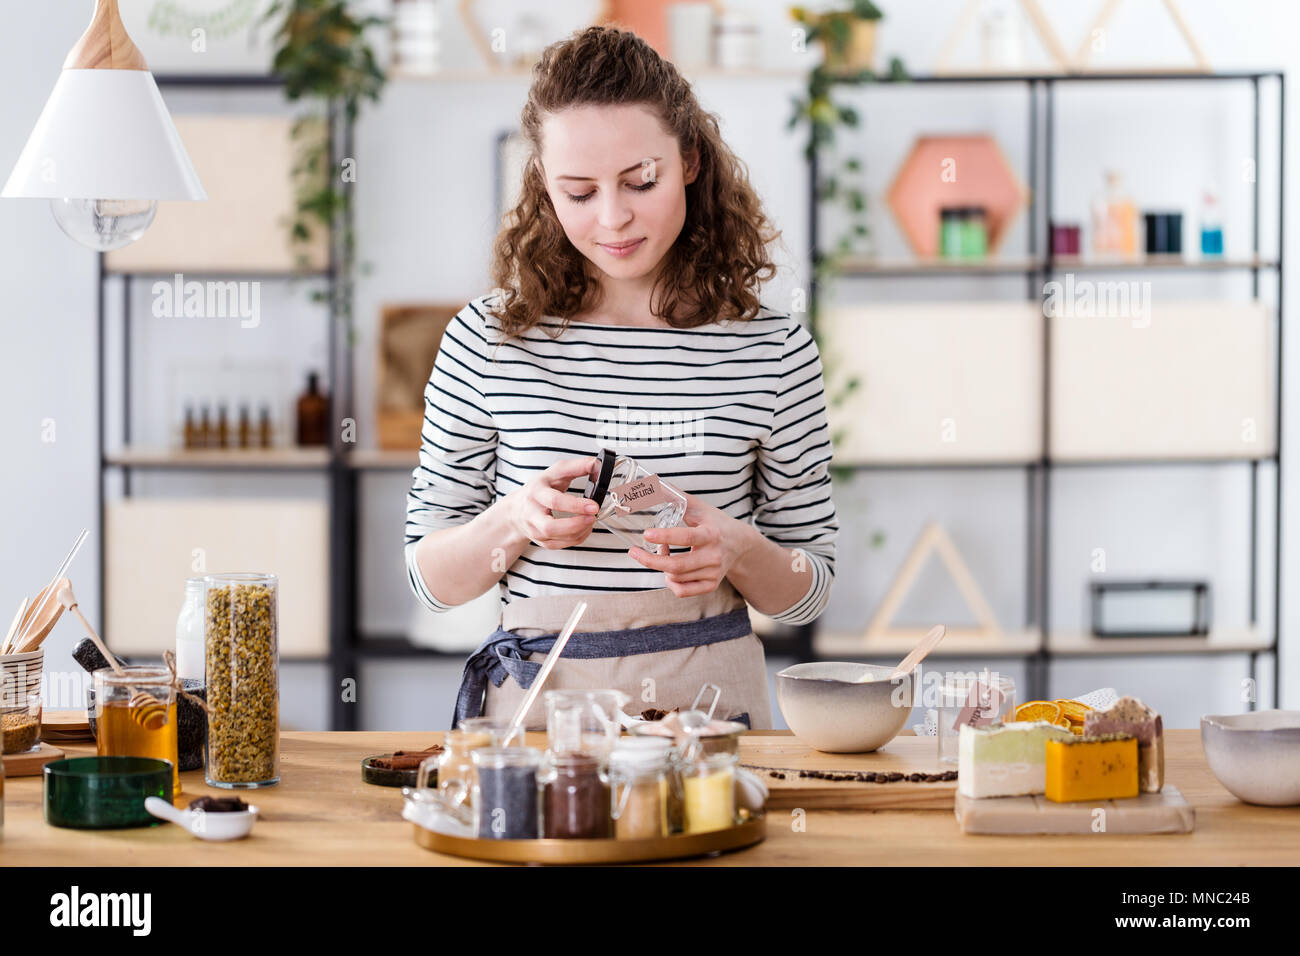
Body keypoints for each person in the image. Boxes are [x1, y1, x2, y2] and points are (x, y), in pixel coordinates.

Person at [405, 25, 838, 730]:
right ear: (544, 185)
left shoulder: (774, 349)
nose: (614, 218)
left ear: (691, 159)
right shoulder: (485, 339)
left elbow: (809, 591)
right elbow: (431, 582)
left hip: (712, 721)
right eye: (578, 192)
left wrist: (736, 546)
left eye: (641, 181)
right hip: (543, 724)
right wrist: (515, 520)